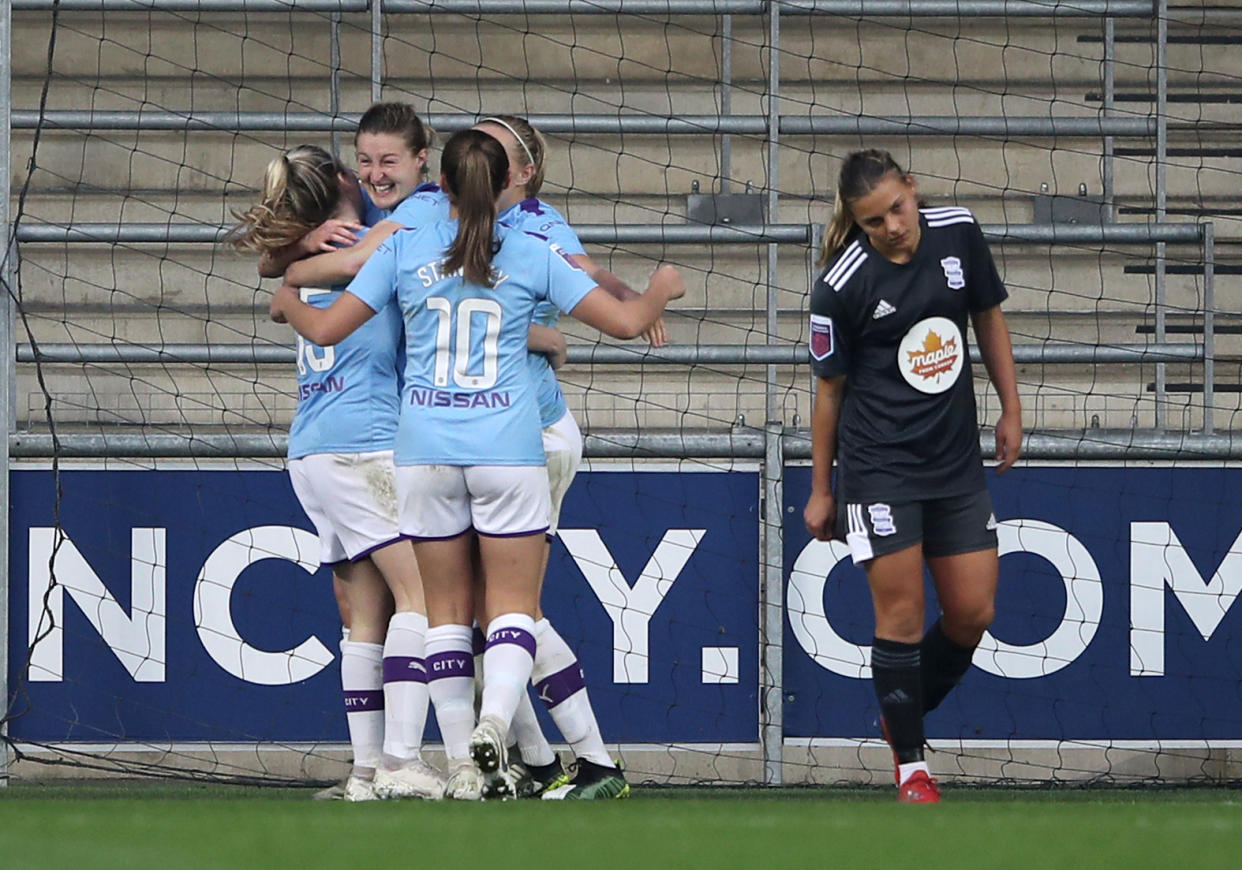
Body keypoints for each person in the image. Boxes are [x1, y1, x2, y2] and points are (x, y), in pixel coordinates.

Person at [269, 129, 684, 800]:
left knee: (448, 613)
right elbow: (620, 314)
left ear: (441, 183)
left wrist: (287, 278)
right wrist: (660, 286)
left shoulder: (408, 241)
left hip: (426, 446)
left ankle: (469, 766)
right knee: (506, 611)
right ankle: (544, 750)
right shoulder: (520, 246)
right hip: (508, 442)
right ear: (505, 183)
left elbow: (324, 311)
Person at [801, 149, 1022, 804]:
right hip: (880, 471)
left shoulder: (958, 231)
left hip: (955, 464)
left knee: (973, 612)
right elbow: (828, 395)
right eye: (873, 222)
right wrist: (822, 489)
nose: (892, 227)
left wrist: (1012, 408)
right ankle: (911, 765)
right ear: (857, 222)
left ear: (912, 189)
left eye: (897, 209)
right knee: (901, 615)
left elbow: (987, 316)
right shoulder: (840, 286)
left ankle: (899, 713)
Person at [230, 144, 443, 803]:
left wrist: (290, 253)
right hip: (363, 444)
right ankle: (404, 761)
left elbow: (276, 290)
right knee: (426, 599)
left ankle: (363, 774)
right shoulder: (365, 243)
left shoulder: (304, 260)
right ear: (348, 180)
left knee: (363, 617)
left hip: (312, 448)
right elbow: (356, 263)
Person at [470, 114, 657, 800]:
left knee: (508, 608)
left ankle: (591, 761)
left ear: (522, 174)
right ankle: (541, 761)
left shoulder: (539, 228)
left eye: (492, 153)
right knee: (479, 612)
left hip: (532, 434)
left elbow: (573, 279)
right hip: (480, 435)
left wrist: (627, 296)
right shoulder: (454, 218)